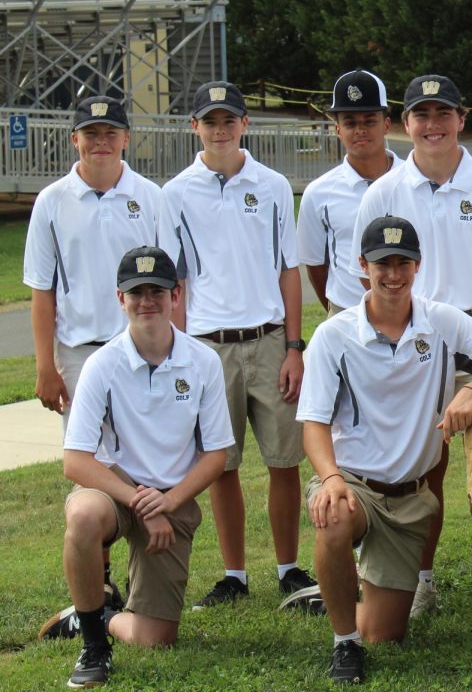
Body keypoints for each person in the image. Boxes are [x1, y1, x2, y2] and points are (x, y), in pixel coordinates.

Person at [290, 216, 472, 683]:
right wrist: (331, 478)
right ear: (363, 266)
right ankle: (344, 643)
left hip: (408, 501)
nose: (393, 274)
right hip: (356, 484)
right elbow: (314, 424)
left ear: (418, 265)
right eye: (382, 263)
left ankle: (332, 592)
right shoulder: (333, 336)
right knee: (334, 515)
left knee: (385, 633)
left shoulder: (439, 321)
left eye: (403, 262)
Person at [352, 74, 472, 616]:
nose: (432, 126)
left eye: (443, 114)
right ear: (404, 124)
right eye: (420, 116)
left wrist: (467, 308)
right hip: (409, 341)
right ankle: (420, 579)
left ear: (461, 118)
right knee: (421, 465)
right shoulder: (383, 193)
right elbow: (363, 270)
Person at [42, 246, 233, 688]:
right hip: (118, 489)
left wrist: (168, 501)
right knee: (83, 515)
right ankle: (94, 647)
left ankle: (100, 615)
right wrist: (144, 503)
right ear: (119, 298)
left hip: (174, 494)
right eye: (136, 292)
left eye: (157, 291)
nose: (147, 301)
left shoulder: (202, 361)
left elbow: (216, 456)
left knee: (155, 638)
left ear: (176, 295)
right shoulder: (101, 364)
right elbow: (75, 460)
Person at [25, 95, 181, 612]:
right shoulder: (51, 201)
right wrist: (46, 365)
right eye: (90, 132)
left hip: (142, 347)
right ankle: (103, 581)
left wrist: (175, 348)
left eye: (110, 132)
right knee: (93, 465)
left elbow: (170, 278)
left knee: (143, 454)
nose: (100, 141)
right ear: (75, 139)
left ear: (126, 138)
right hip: (79, 352)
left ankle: (149, 569)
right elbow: (42, 289)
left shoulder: (150, 196)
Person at [163, 82, 314, 608]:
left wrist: (295, 346)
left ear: (245, 124)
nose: (220, 129)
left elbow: (288, 270)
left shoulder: (272, 185)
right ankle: (234, 574)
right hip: (209, 347)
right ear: (195, 128)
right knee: (221, 464)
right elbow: (175, 283)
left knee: (284, 459)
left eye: (230, 120)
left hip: (270, 339)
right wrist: (179, 350)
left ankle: (290, 568)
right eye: (211, 121)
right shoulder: (175, 193)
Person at [299, 69, 400, 317]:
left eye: (369, 120)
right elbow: (316, 266)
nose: (360, 129)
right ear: (337, 129)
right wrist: (339, 311)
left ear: (386, 124)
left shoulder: (414, 181)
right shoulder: (318, 192)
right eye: (350, 122)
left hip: (412, 315)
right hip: (348, 313)